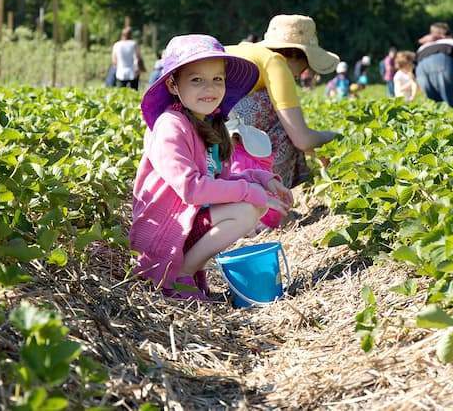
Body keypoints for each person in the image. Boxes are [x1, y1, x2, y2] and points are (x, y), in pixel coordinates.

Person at [129, 34, 289, 301]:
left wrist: (260, 179)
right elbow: (192, 189)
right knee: (247, 209)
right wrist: (250, 193)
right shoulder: (171, 126)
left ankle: (187, 273)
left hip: (190, 222)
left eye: (217, 79)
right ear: (173, 84)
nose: (210, 88)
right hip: (167, 232)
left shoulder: (211, 125)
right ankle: (181, 276)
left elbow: (219, 181)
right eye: (196, 80)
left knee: (248, 204)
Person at [228, 15, 341, 188]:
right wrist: (334, 138)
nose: (299, 75)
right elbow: (302, 140)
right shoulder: (274, 62)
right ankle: (270, 193)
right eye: (305, 67)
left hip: (193, 146)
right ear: (297, 55)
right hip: (221, 142)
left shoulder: (241, 52)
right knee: (287, 126)